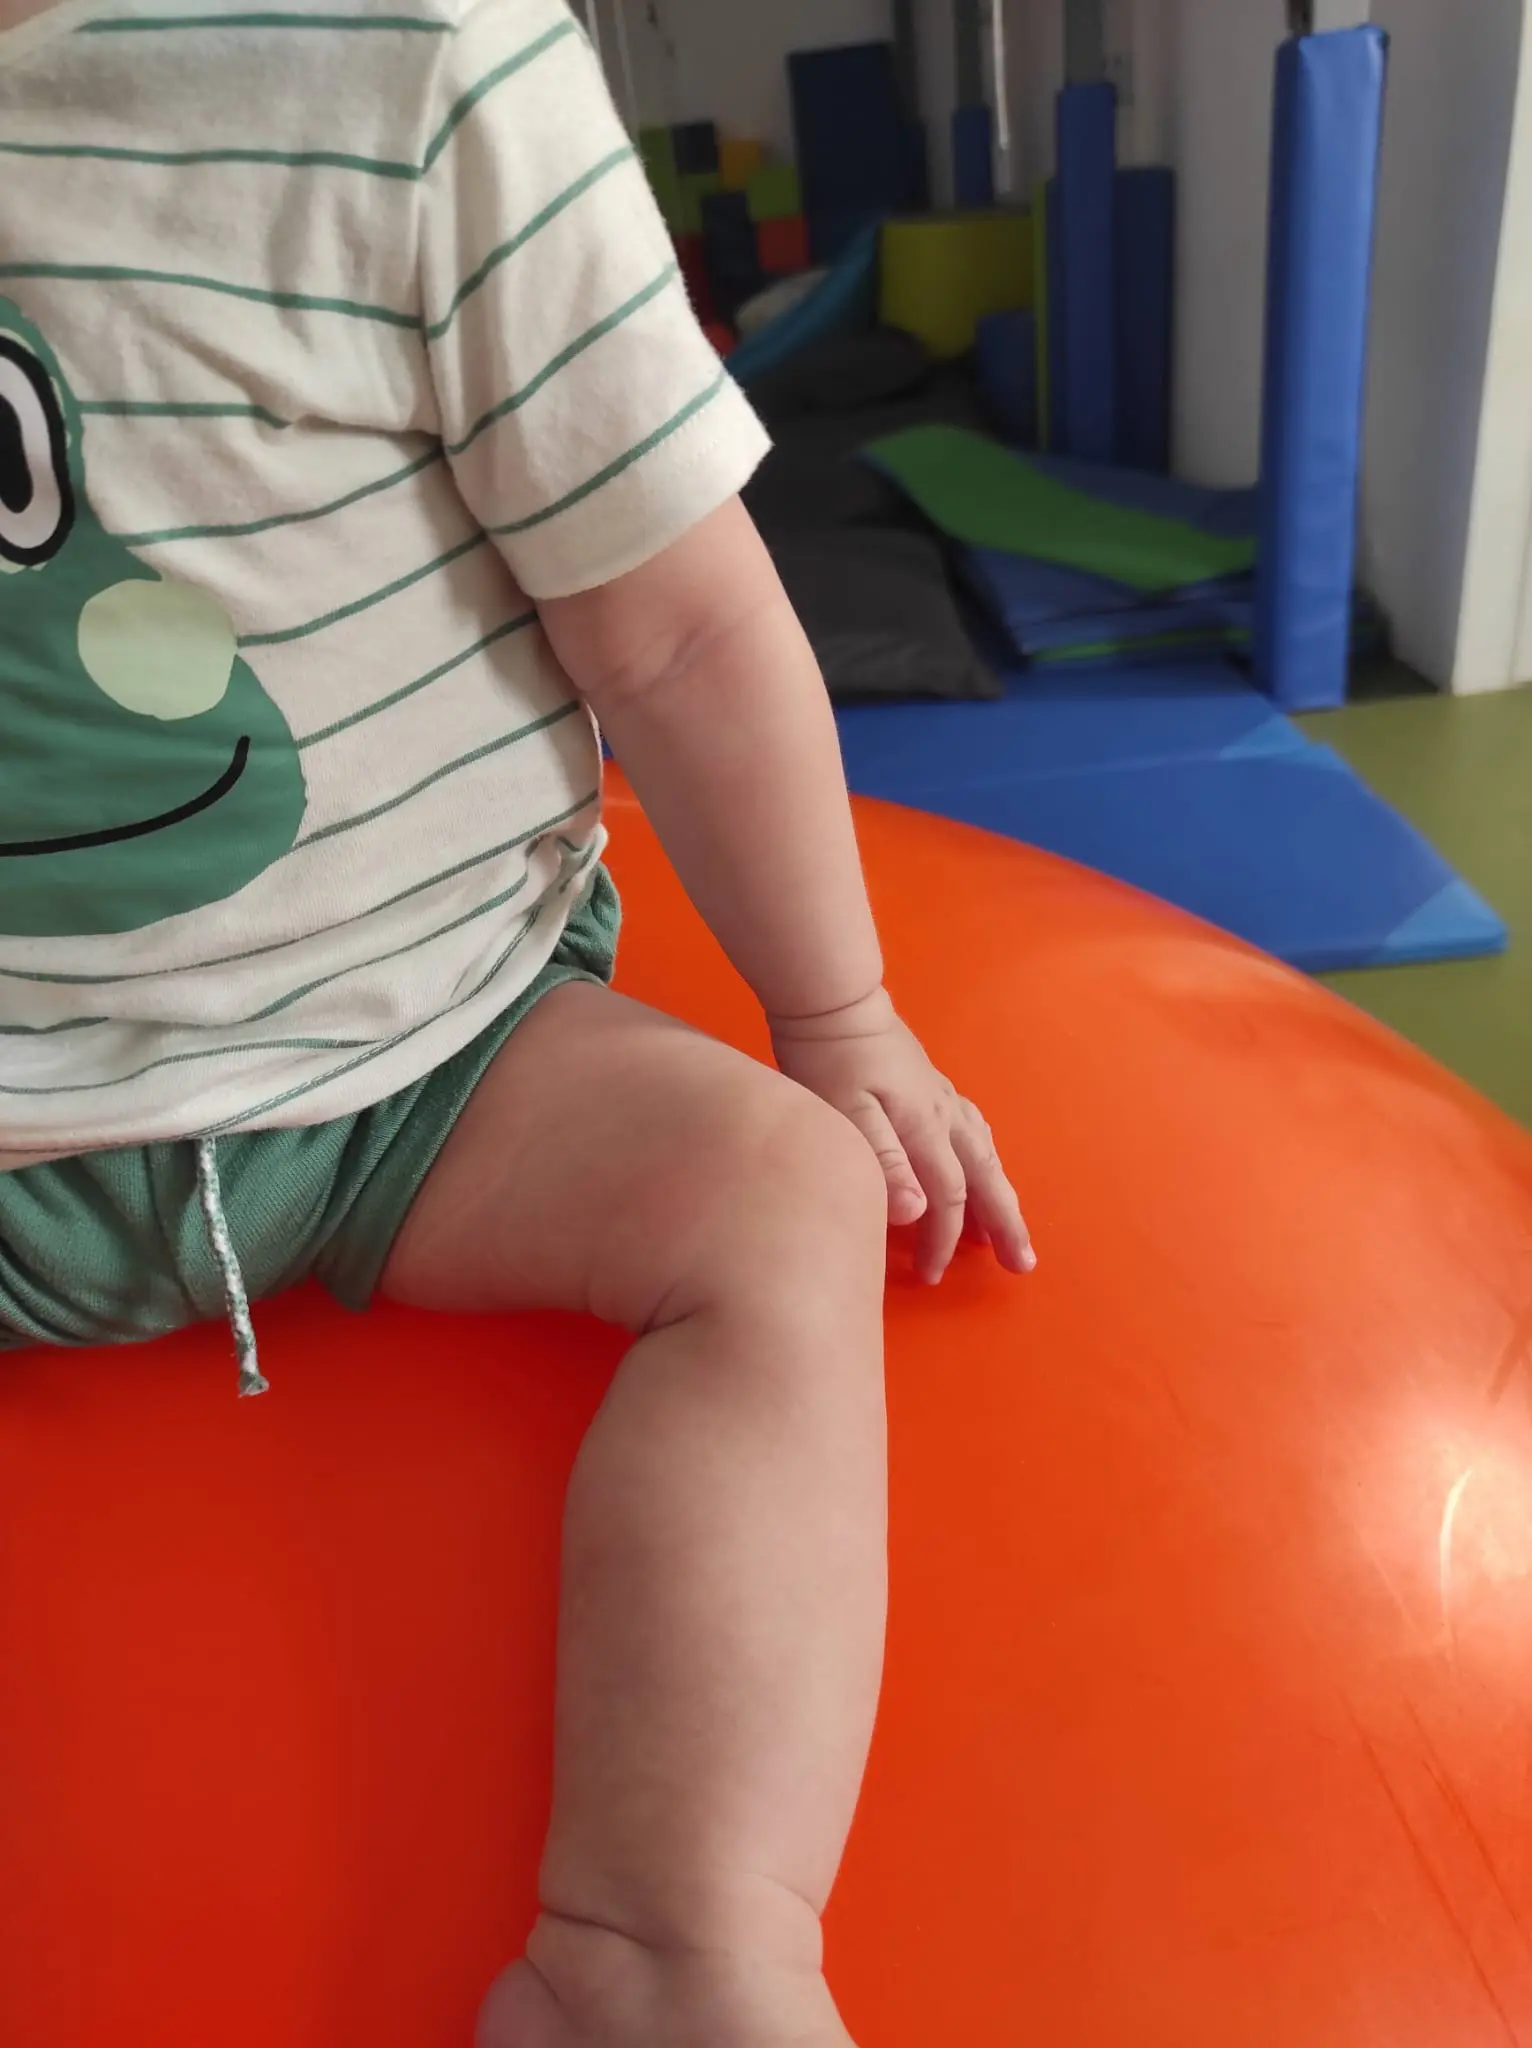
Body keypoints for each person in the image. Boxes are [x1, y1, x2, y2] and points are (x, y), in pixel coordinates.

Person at [0, 0, 1033, 2039]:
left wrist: (838, 1016)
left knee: (774, 1200)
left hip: (425, 1047)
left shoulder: (412, 69)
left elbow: (673, 611)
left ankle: (656, 1946)